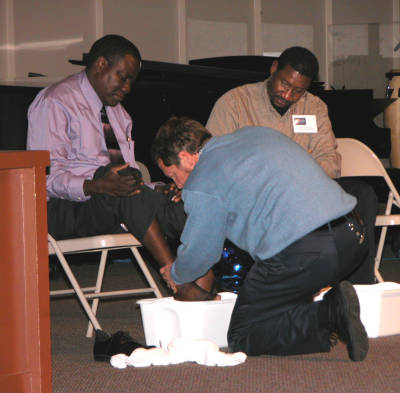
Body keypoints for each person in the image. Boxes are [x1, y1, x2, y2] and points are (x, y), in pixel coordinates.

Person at [152, 116, 369, 361]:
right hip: (354, 236)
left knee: (243, 335)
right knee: (276, 297)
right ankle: (321, 313)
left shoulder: (202, 179)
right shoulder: (255, 134)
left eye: (173, 176)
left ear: (185, 158)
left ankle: (329, 313)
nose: (177, 184)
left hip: (305, 252)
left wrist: (176, 273)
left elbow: (202, 253)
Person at [27, 34, 214, 300]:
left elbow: (127, 179)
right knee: (120, 181)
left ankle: (203, 290)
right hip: (63, 209)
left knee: (187, 202)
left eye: (131, 81)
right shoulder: (55, 101)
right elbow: (42, 179)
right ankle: (177, 280)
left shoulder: (118, 113)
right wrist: (97, 185)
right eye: (123, 77)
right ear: (101, 64)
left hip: (115, 202)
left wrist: (160, 189)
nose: (127, 88)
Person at [206, 46, 377, 284]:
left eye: (298, 91)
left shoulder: (315, 107)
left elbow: (329, 159)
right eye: (284, 85)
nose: (287, 95)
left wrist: (301, 180)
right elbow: (213, 160)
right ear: (273, 69)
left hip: (305, 191)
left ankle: (360, 288)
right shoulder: (235, 103)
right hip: (257, 195)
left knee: (362, 195)